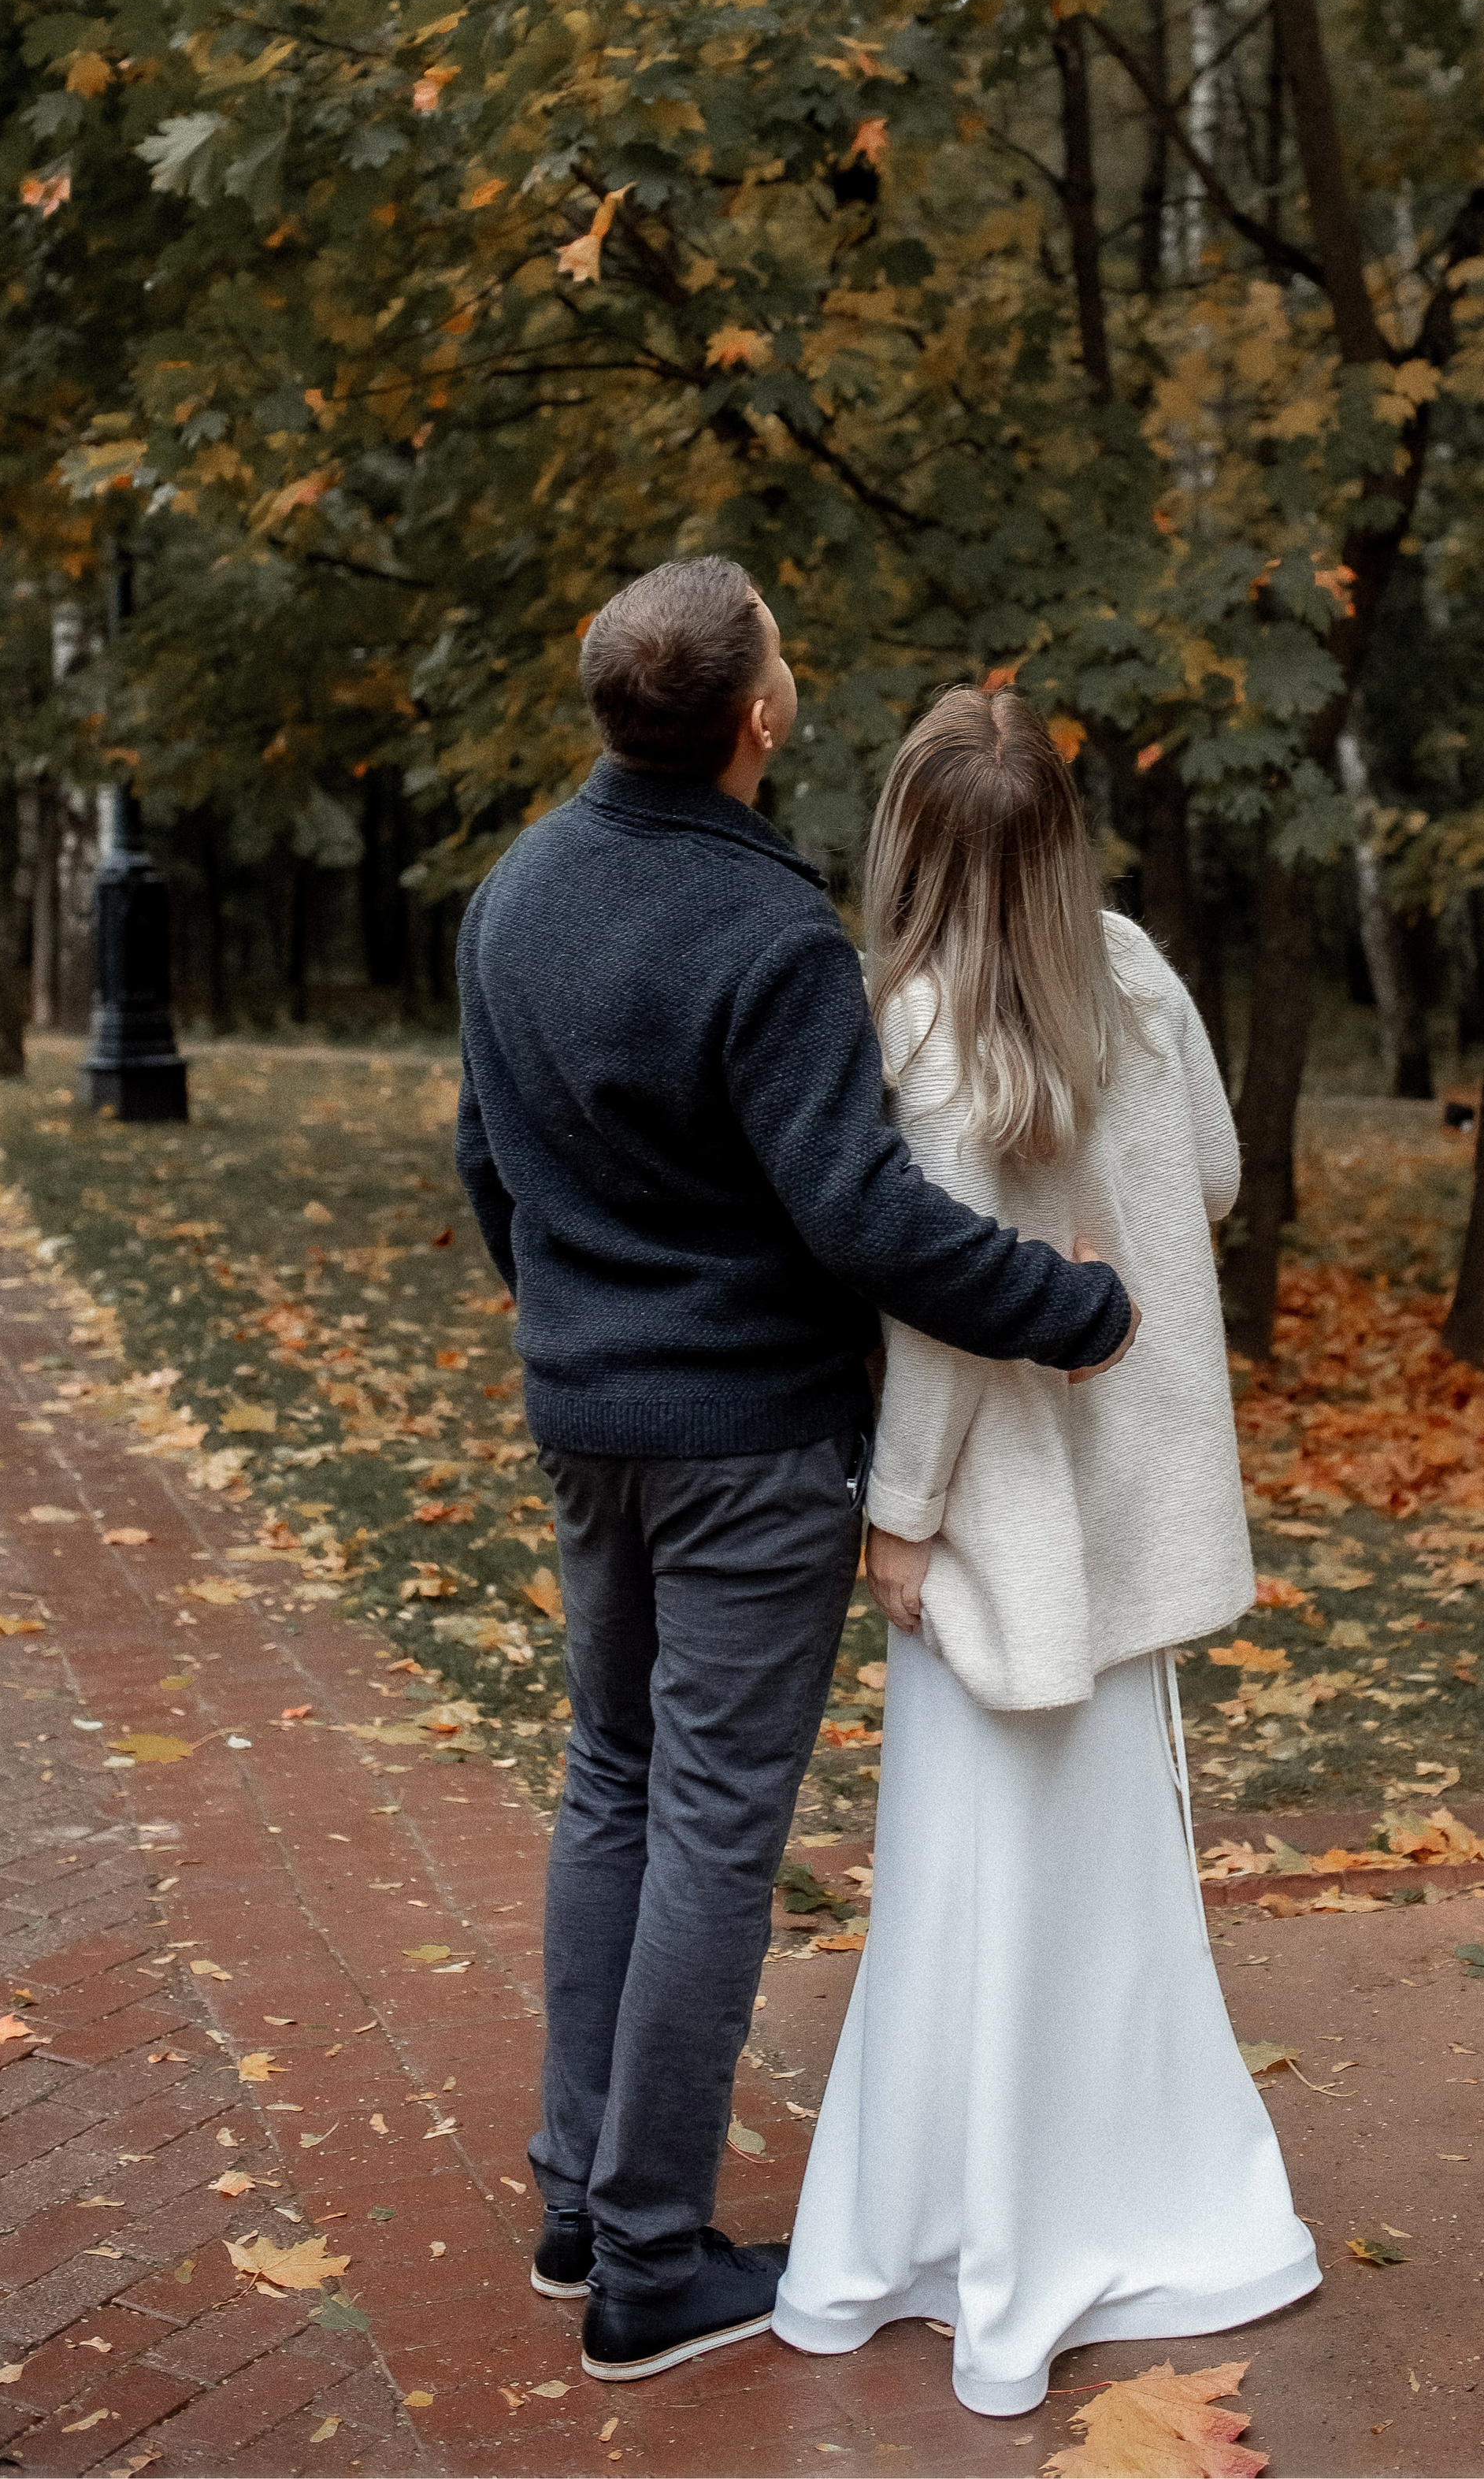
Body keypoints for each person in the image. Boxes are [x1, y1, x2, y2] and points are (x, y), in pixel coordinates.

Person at [453, 560, 1138, 2387]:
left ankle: (575, 2205)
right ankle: (650, 2261)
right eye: (782, 652)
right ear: (756, 714)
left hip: (586, 1420)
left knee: (610, 1774)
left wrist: (572, 1320)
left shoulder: (512, 895)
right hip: (747, 1449)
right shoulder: (769, 942)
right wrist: (1066, 1308)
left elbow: (486, 1164)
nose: (794, 670)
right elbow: (866, 1218)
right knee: (706, 1826)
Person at [772, 685, 1320, 2417]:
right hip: (1130, 1496)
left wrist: (899, 1517)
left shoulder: (920, 1033)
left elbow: (936, 1326)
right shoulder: (1136, 970)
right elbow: (1219, 1176)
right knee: (1106, 1884)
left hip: (1005, 1516)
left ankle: (970, 2234)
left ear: (912, 842)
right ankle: (1157, 2196)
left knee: (972, 1884)